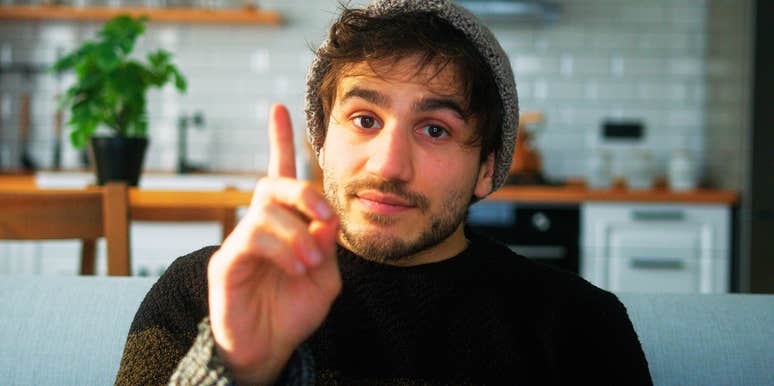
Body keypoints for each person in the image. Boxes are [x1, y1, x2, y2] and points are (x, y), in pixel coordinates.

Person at [116, 1, 652, 384]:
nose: (390, 165)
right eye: (365, 119)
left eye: (435, 129)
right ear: (321, 141)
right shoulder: (207, 292)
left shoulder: (580, 324)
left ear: (487, 169)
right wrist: (236, 366)